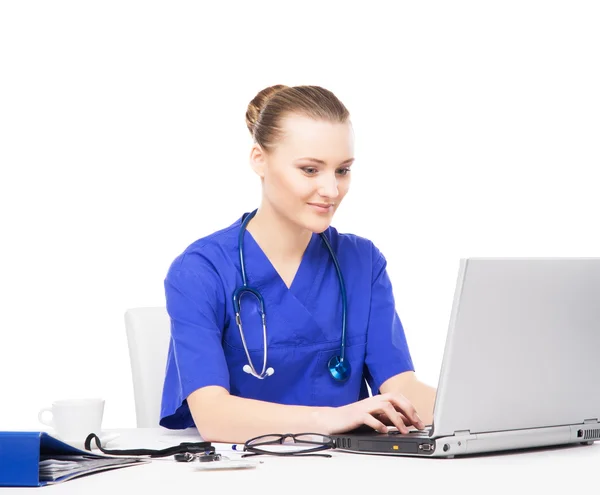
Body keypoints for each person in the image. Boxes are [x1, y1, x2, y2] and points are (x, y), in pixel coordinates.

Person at [159, 84, 436, 443]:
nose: (332, 190)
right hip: (243, 473)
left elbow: (401, 387)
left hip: (347, 469)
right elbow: (213, 415)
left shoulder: (363, 263)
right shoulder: (200, 270)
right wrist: (336, 418)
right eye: (310, 170)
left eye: (343, 170)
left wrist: (493, 413)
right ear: (259, 159)